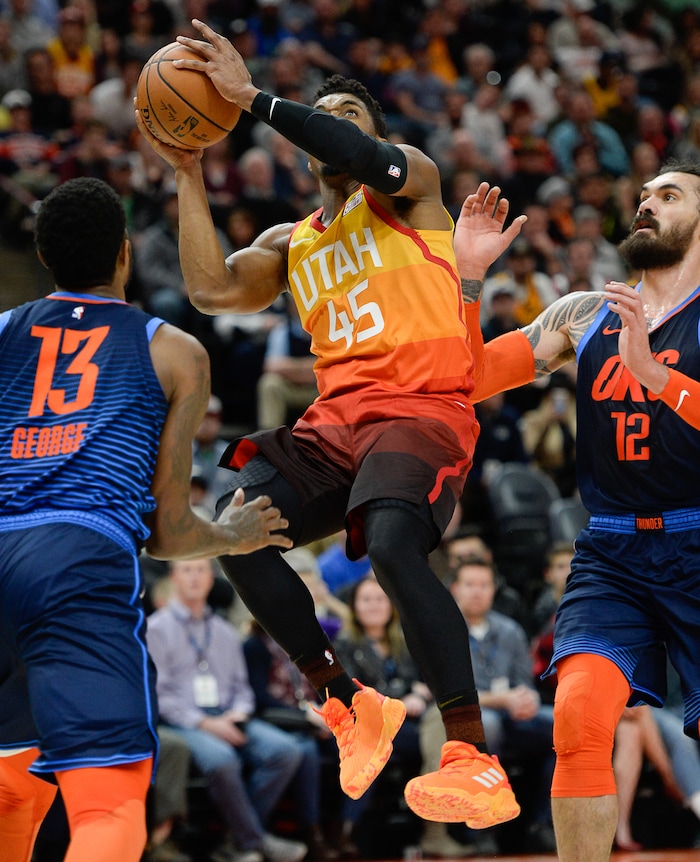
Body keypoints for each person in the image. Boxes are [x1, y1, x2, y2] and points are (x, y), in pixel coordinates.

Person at [136, 17, 524, 832]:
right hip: (334, 424)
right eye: (330, 118)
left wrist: (252, 97)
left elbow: (363, 156)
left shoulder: (410, 186)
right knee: (236, 524)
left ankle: (470, 755)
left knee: (389, 543)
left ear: (372, 138)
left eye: (353, 116)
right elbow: (209, 290)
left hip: (420, 409)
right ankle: (347, 701)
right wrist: (190, 172)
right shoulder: (292, 241)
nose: (340, 128)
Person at [0, 176, 293, 862]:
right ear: (126, 255)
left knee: (15, 781)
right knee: (112, 801)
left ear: (43, 256)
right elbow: (168, 530)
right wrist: (233, 536)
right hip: (79, 557)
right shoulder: (175, 351)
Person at [454, 161, 700, 861]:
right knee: (578, 720)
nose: (648, 203)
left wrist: (655, 374)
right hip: (613, 554)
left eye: (670, 194)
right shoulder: (586, 313)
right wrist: (469, 278)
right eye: (645, 193)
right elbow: (468, 377)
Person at [146, 557, 309, 862]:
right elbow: (159, 694)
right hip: (185, 722)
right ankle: (254, 840)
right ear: (174, 578)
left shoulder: (223, 630)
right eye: (187, 570)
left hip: (229, 714)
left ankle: (236, 839)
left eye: (201, 570)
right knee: (221, 759)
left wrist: (239, 713)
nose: (195, 577)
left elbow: (242, 687)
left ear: (211, 579)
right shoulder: (157, 628)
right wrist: (206, 723)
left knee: (285, 751)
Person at [419, 555, 556, 856]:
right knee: (486, 725)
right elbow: (441, 690)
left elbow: (525, 684)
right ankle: (481, 828)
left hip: (512, 713)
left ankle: (544, 825)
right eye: (469, 584)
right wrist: (501, 700)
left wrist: (527, 699)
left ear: (494, 589)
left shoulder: (510, 630)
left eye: (484, 585)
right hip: (466, 715)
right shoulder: (439, 629)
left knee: (562, 728)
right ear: (454, 588)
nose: (477, 591)